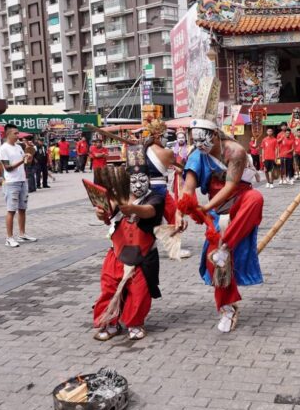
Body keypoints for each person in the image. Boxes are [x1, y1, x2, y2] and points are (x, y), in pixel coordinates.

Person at [177, 81, 263, 333]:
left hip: (239, 204)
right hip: (216, 212)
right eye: (197, 142)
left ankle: (226, 246)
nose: (201, 147)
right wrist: (181, 210)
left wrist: (204, 208)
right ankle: (227, 308)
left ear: (215, 135)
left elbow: (230, 186)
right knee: (216, 263)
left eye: (205, 141)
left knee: (256, 199)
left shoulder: (236, 151)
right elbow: (188, 187)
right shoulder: (197, 154)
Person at [93, 151, 164, 341]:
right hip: (117, 254)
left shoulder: (155, 197)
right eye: (134, 180)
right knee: (109, 289)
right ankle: (110, 321)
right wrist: (101, 212)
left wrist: (132, 209)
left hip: (143, 256)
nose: (138, 184)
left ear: (149, 179)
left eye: (143, 179)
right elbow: (106, 212)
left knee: (139, 292)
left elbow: (149, 211)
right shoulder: (118, 196)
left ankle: (135, 322)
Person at [0, 124, 37, 247]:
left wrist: (30, 152)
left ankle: (22, 234)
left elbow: (27, 162)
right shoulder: (3, 148)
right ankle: (9, 237)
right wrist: (22, 160)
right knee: (11, 210)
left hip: (22, 180)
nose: (17, 135)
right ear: (8, 134)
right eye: (15, 133)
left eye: (18, 133)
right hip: (11, 182)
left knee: (22, 209)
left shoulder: (19, 147)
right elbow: (8, 168)